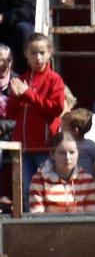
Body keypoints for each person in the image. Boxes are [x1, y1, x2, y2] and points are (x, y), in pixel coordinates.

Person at [11, 33, 70, 182]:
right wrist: (16, 97)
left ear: (50, 53)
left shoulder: (54, 79)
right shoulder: (21, 79)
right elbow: (11, 113)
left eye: (42, 53)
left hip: (45, 147)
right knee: (26, 189)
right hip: (23, 146)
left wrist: (28, 93)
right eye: (33, 53)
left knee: (47, 185)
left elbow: (56, 108)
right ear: (26, 54)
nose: (38, 57)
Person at [28, 133, 95, 215]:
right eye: (62, 153)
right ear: (52, 154)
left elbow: (92, 217)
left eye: (72, 152)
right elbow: (37, 216)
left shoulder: (88, 181)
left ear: (78, 154)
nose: (68, 158)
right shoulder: (39, 181)